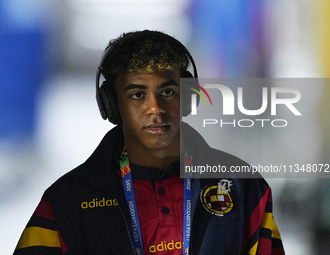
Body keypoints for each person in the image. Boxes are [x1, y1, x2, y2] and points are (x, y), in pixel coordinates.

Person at [14, 30, 284, 255]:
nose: (155, 108)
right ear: (111, 104)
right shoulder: (66, 202)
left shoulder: (245, 188)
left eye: (167, 91)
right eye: (137, 95)